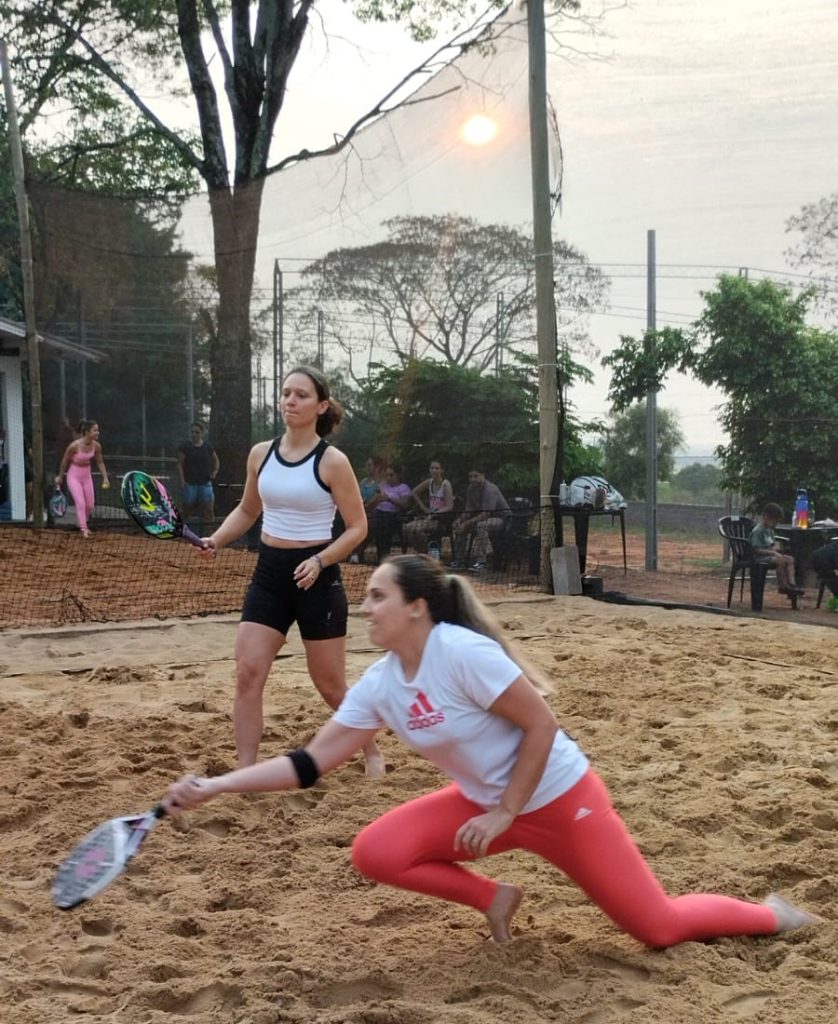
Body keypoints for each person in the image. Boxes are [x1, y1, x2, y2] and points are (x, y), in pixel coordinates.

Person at [167, 554, 820, 948]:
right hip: (484, 807)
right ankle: (494, 898)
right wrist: (219, 786)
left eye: (377, 597)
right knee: (376, 851)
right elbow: (311, 764)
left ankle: (769, 916)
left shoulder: (462, 654)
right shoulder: (382, 685)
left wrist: (508, 811)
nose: (364, 609)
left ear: (417, 608)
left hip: (560, 802)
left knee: (658, 928)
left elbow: (542, 727)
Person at [198, 365, 385, 777]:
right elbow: (249, 510)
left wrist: (321, 561)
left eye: (300, 395)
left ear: (321, 406)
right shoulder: (260, 454)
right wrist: (217, 539)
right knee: (248, 673)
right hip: (270, 574)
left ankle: (370, 748)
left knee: (331, 686)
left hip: (317, 576)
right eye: (285, 393)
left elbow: (358, 528)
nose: (290, 401)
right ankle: (244, 771)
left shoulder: (333, 462)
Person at [56, 419, 110, 537]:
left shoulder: (96, 446)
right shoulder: (74, 446)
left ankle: (81, 522)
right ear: (87, 432)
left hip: (86, 475)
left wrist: (105, 477)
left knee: (90, 505)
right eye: (95, 430)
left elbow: (100, 462)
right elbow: (65, 462)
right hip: (74, 475)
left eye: (98, 430)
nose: (98, 432)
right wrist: (60, 476)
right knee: (80, 503)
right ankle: (84, 528)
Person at [451, 466, 510, 572]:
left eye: (476, 476)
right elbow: (469, 508)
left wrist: (467, 523)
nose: (473, 479)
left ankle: (482, 562)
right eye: (470, 476)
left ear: (483, 475)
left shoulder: (490, 489)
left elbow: (486, 514)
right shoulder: (471, 488)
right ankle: (459, 561)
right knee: (460, 528)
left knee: (481, 526)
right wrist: (460, 520)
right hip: (483, 517)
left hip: (501, 518)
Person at [749, 502, 803, 597]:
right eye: (774, 521)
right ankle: (782, 585)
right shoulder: (758, 531)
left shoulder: (770, 530)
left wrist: (778, 550)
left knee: (790, 559)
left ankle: (792, 584)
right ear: (765, 517)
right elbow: (756, 550)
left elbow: (772, 544)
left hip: (770, 555)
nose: (775, 524)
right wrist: (773, 553)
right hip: (759, 557)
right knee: (780, 560)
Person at [403, 459, 455, 555]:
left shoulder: (445, 484)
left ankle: (426, 553)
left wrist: (436, 512)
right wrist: (423, 507)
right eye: (432, 468)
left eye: (437, 468)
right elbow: (414, 492)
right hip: (430, 517)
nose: (434, 471)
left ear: (442, 471)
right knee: (408, 528)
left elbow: (449, 506)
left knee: (417, 530)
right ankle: (421, 552)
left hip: (441, 519)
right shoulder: (429, 482)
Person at [177, 421, 220, 533]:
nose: (194, 434)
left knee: (208, 510)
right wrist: (182, 480)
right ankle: (179, 530)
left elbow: (215, 459)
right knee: (187, 508)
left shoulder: (207, 447)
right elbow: (180, 463)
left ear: (202, 433)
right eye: (192, 432)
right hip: (190, 483)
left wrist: (215, 471)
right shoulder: (185, 447)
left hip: (205, 484)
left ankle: (209, 534)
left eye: (197, 432)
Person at [367, 463, 413, 563]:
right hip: (378, 513)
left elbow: (405, 505)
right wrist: (375, 500)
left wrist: (389, 499)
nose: (388, 478)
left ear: (398, 475)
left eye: (391, 475)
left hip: (394, 516)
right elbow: (373, 502)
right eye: (387, 475)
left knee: (383, 524)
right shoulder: (382, 486)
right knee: (372, 522)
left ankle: (384, 556)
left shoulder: (403, 488)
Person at [350, 455, 386, 564]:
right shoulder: (363, 482)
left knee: (368, 526)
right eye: (367, 465)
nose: (368, 467)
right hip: (361, 511)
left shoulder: (382, 483)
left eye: (370, 465)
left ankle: (356, 553)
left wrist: (369, 504)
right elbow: (357, 496)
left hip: (375, 514)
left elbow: (379, 499)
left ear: (377, 467)